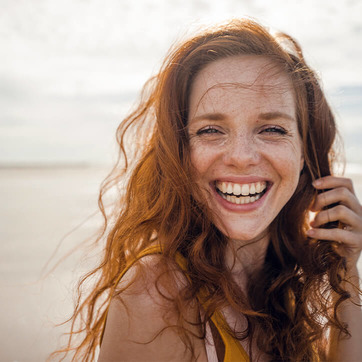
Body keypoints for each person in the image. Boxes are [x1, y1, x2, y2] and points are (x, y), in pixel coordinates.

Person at [54, 19, 362, 361]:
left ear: (306, 153)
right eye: (210, 130)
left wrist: (346, 273)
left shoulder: (280, 284)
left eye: (273, 129)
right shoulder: (158, 294)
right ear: (179, 153)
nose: (242, 157)